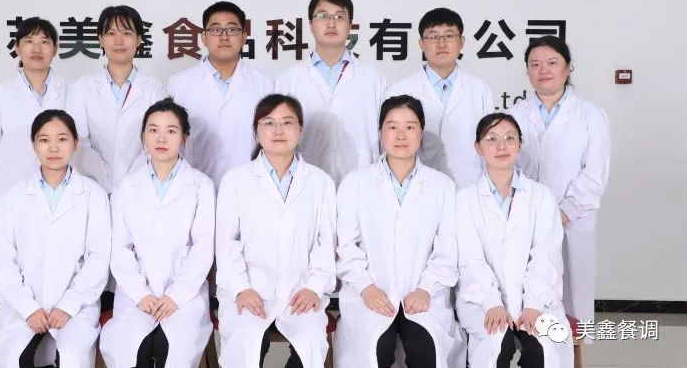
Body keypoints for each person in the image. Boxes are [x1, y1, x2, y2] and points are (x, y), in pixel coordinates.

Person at [334, 95, 465, 368]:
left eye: (410, 127)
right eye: (392, 126)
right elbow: (345, 246)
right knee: (373, 351)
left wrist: (426, 289)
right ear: (381, 132)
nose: (401, 135)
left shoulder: (442, 186)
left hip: (424, 296)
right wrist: (366, 287)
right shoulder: (355, 183)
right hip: (367, 295)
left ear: (421, 133)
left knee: (427, 348)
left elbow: (447, 251)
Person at [215, 94, 337, 368]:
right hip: (249, 291)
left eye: (287, 122)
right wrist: (241, 288)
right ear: (256, 131)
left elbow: (326, 243)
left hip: (300, 292)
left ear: (300, 129)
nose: (278, 130)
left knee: (310, 341)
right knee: (245, 340)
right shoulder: (236, 180)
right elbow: (226, 244)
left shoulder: (320, 182)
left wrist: (313, 288)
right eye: (269, 123)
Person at [99, 98, 215, 368]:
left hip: (185, 297)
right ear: (143, 136)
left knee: (171, 348)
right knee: (133, 349)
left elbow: (203, 247)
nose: (161, 138)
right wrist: (140, 294)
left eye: (171, 131)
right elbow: (120, 248)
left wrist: (176, 295)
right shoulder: (126, 187)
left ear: (184, 138)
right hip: (136, 296)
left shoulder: (202, 185)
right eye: (153, 130)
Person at [0, 110, 110, 368]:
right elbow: (3, 260)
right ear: (33, 145)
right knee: (14, 358)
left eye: (62, 139)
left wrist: (69, 305)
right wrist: (28, 307)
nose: (53, 148)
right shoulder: (12, 198)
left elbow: (99, 258)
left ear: (75, 143)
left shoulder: (93, 195)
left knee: (72, 358)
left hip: (76, 306)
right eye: (44, 140)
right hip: (22, 305)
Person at [456, 113, 573, 367]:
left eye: (510, 138)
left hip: (538, 300)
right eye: (492, 139)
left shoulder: (541, 197)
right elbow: (470, 260)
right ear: (478, 147)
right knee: (496, 344)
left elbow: (546, 256)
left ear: (520, 144)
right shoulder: (464, 200)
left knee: (544, 348)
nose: (501, 146)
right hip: (481, 301)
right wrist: (492, 303)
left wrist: (533, 304)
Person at [509, 36, 610, 329]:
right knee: (525, 298)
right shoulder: (513, 116)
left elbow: (595, 175)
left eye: (552, 63)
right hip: (524, 219)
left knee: (572, 301)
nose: (544, 70)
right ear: (527, 71)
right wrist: (529, 212)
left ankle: (575, 352)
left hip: (573, 221)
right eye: (535, 64)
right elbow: (504, 168)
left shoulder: (591, 116)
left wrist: (561, 214)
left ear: (568, 68)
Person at [0, 17, 68, 297]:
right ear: (17, 47)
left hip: (61, 196)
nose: (37, 48)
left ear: (55, 48)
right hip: (11, 194)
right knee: (13, 273)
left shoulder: (70, 92)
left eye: (44, 41)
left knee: (59, 270)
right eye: (29, 41)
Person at [275, 0, 386, 184]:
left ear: (350, 25)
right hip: (303, 184)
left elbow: (386, 136)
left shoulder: (373, 78)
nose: (331, 23)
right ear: (311, 25)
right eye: (322, 16)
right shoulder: (288, 80)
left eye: (340, 16)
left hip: (364, 182)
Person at [166, 1, 273, 187]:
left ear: (244, 37)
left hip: (249, 186)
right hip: (191, 186)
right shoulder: (178, 84)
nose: (224, 36)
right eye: (215, 30)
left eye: (232, 29)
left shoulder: (264, 84)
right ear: (204, 38)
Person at [385, 7, 493, 188]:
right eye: (433, 36)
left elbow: (488, 147)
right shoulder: (398, 91)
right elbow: (389, 147)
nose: (441, 43)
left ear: (462, 42)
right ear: (421, 44)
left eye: (449, 36)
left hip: (468, 189)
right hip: (415, 188)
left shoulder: (480, 90)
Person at [67, 5, 167, 195]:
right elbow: (78, 141)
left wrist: (127, 183)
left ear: (139, 39)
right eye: (111, 33)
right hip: (93, 189)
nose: (119, 40)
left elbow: (157, 141)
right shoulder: (84, 87)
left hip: (141, 190)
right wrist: (103, 180)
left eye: (127, 33)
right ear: (100, 40)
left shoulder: (154, 87)